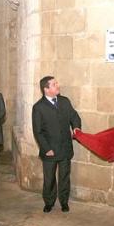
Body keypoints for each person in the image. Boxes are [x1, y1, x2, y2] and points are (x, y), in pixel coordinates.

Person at [32, 76, 81, 213]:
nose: (58, 85)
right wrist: (46, 148)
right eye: (54, 84)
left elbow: (74, 116)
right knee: (49, 179)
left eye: (56, 83)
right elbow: (38, 131)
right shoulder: (38, 107)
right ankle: (49, 202)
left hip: (65, 148)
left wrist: (76, 127)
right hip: (50, 150)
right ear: (46, 89)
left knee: (64, 176)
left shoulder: (65, 101)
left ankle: (64, 201)